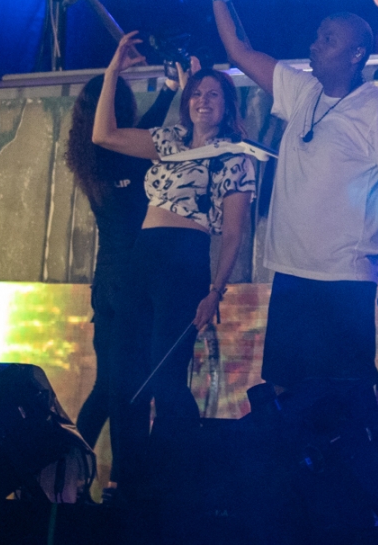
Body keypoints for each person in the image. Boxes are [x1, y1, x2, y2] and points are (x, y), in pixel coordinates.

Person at [209, 0, 378, 391]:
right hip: (291, 274)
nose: (314, 45)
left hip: (343, 279)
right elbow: (239, 50)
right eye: (317, 36)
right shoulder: (302, 92)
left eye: (328, 40)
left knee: (344, 394)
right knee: (285, 390)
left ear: (356, 54)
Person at [92, 32, 258, 482]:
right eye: (197, 93)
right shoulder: (169, 140)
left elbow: (234, 234)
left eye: (214, 94)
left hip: (184, 263)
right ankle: (128, 479)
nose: (204, 101)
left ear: (227, 105)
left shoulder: (234, 157)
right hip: (142, 257)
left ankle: (175, 481)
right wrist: (113, 72)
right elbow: (103, 135)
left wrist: (215, 291)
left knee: (165, 380)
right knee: (123, 378)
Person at [64, 66, 178, 489]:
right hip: (130, 284)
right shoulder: (118, 153)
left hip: (109, 282)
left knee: (108, 386)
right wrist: (167, 93)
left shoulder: (91, 157)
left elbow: (141, 131)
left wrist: (167, 91)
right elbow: (145, 132)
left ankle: (68, 470)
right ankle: (120, 480)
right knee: (127, 387)